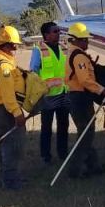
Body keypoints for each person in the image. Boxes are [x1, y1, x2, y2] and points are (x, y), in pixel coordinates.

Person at [0, 25, 28, 190]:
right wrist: (17, 113)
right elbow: (8, 95)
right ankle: (11, 181)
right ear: (2, 45)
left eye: (16, 44)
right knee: (12, 146)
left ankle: (8, 176)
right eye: (11, 44)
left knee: (4, 145)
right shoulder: (3, 66)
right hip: (5, 111)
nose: (15, 47)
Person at [64, 22, 105, 178]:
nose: (87, 42)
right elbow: (84, 80)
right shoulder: (79, 57)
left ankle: (94, 166)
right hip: (80, 98)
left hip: (76, 97)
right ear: (76, 40)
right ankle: (75, 171)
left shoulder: (72, 53)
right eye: (85, 39)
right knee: (85, 135)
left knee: (86, 132)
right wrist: (102, 90)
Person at [30, 22, 69, 164]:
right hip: (47, 96)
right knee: (46, 127)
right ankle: (45, 156)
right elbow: (33, 72)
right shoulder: (38, 50)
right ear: (46, 34)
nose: (58, 33)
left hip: (64, 93)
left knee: (63, 125)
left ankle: (63, 153)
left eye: (58, 31)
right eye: (55, 31)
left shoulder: (64, 48)